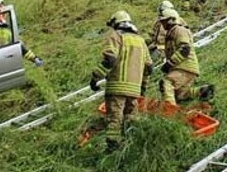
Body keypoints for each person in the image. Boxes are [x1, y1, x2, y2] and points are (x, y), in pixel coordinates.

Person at [89, 11, 152, 150]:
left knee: (115, 118)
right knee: (131, 117)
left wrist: (95, 77)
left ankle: (113, 148)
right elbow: (149, 66)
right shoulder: (141, 40)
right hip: (134, 89)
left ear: (115, 23)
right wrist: (142, 87)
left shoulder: (116, 35)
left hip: (117, 86)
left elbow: (110, 59)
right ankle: (131, 145)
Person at [158, 9, 213, 106]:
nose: (162, 24)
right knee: (179, 95)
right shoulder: (173, 31)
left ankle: (169, 110)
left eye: (164, 21)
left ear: (171, 20)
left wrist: (170, 63)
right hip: (189, 68)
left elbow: (185, 49)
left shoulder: (178, 30)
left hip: (183, 67)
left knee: (166, 82)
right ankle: (201, 91)